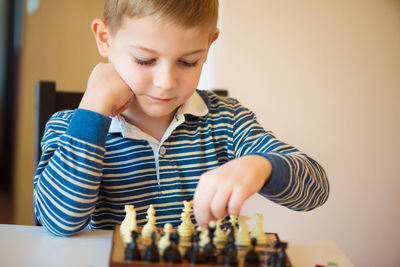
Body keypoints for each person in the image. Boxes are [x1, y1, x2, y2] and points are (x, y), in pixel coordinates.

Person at [33, 0, 329, 236]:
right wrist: (93, 107)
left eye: (188, 62)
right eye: (145, 59)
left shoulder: (228, 120)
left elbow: (316, 190)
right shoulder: (69, 127)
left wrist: (261, 165)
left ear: (208, 46)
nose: (166, 82)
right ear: (104, 38)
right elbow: (59, 223)